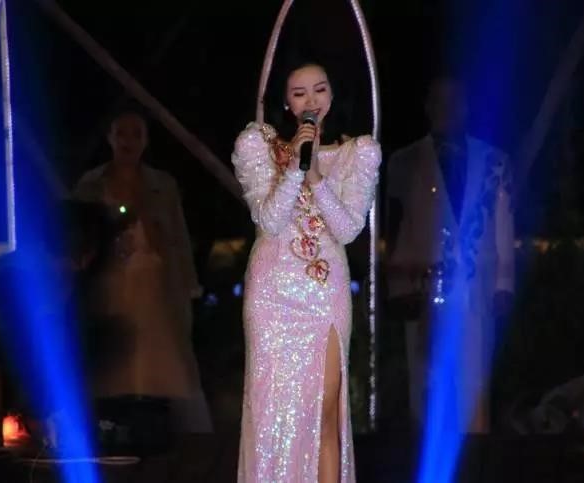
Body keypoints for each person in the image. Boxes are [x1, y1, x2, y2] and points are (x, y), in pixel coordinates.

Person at [232, 59, 381, 483]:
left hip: (324, 294)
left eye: (320, 89)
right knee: (270, 411)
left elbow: (348, 229)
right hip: (272, 293)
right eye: (299, 93)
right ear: (286, 101)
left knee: (325, 411)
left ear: (333, 94)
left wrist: (316, 177)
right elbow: (270, 220)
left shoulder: (359, 152)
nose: (311, 101)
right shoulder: (257, 145)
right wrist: (296, 167)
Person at [386, 74, 515, 434]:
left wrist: (504, 284)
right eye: (439, 101)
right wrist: (398, 288)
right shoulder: (404, 162)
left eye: (455, 101)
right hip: (423, 290)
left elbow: (504, 225)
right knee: (426, 384)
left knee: (475, 382)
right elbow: (396, 228)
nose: (447, 109)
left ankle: (475, 452)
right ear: (428, 107)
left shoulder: (495, 162)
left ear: (467, 107)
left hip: (477, 290)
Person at [73, 105, 212, 433]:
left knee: (163, 366)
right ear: (110, 138)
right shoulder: (91, 184)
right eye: (121, 133)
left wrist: (188, 285)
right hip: (108, 287)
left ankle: (171, 436)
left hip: (155, 287)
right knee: (112, 365)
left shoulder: (162, 184)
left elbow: (177, 238)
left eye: (136, 134)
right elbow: (78, 235)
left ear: (146, 141)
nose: (128, 141)